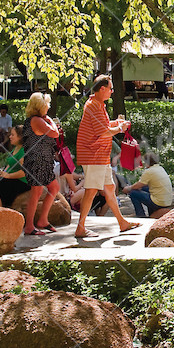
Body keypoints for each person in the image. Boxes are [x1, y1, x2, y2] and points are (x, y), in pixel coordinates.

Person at [74, 75, 138, 237]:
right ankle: (80, 228)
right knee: (91, 190)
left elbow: (103, 126)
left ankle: (122, 223)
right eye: (111, 88)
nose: (112, 91)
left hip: (100, 155)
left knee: (109, 188)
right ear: (102, 89)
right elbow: (103, 132)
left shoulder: (97, 104)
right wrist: (120, 128)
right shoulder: (94, 106)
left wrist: (116, 123)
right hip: (93, 154)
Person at [20, 92, 61, 235]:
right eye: (47, 105)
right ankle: (29, 226)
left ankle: (43, 220)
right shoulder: (37, 120)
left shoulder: (36, 120)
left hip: (43, 161)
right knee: (36, 192)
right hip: (36, 161)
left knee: (54, 188)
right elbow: (55, 133)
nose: (48, 107)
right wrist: (51, 121)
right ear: (40, 106)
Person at [0, 126, 30, 206]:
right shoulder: (16, 148)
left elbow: (25, 172)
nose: (10, 137)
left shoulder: (23, 151)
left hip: (20, 181)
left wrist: (8, 175)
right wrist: (3, 172)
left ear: (20, 137)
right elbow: (9, 164)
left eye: (12, 135)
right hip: (10, 176)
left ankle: (0, 210)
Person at [123, 151, 173, 218]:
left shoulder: (149, 171)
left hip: (159, 202)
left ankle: (141, 216)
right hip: (167, 201)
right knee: (145, 189)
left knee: (133, 193)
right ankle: (151, 213)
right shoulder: (160, 168)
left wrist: (128, 188)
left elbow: (138, 185)